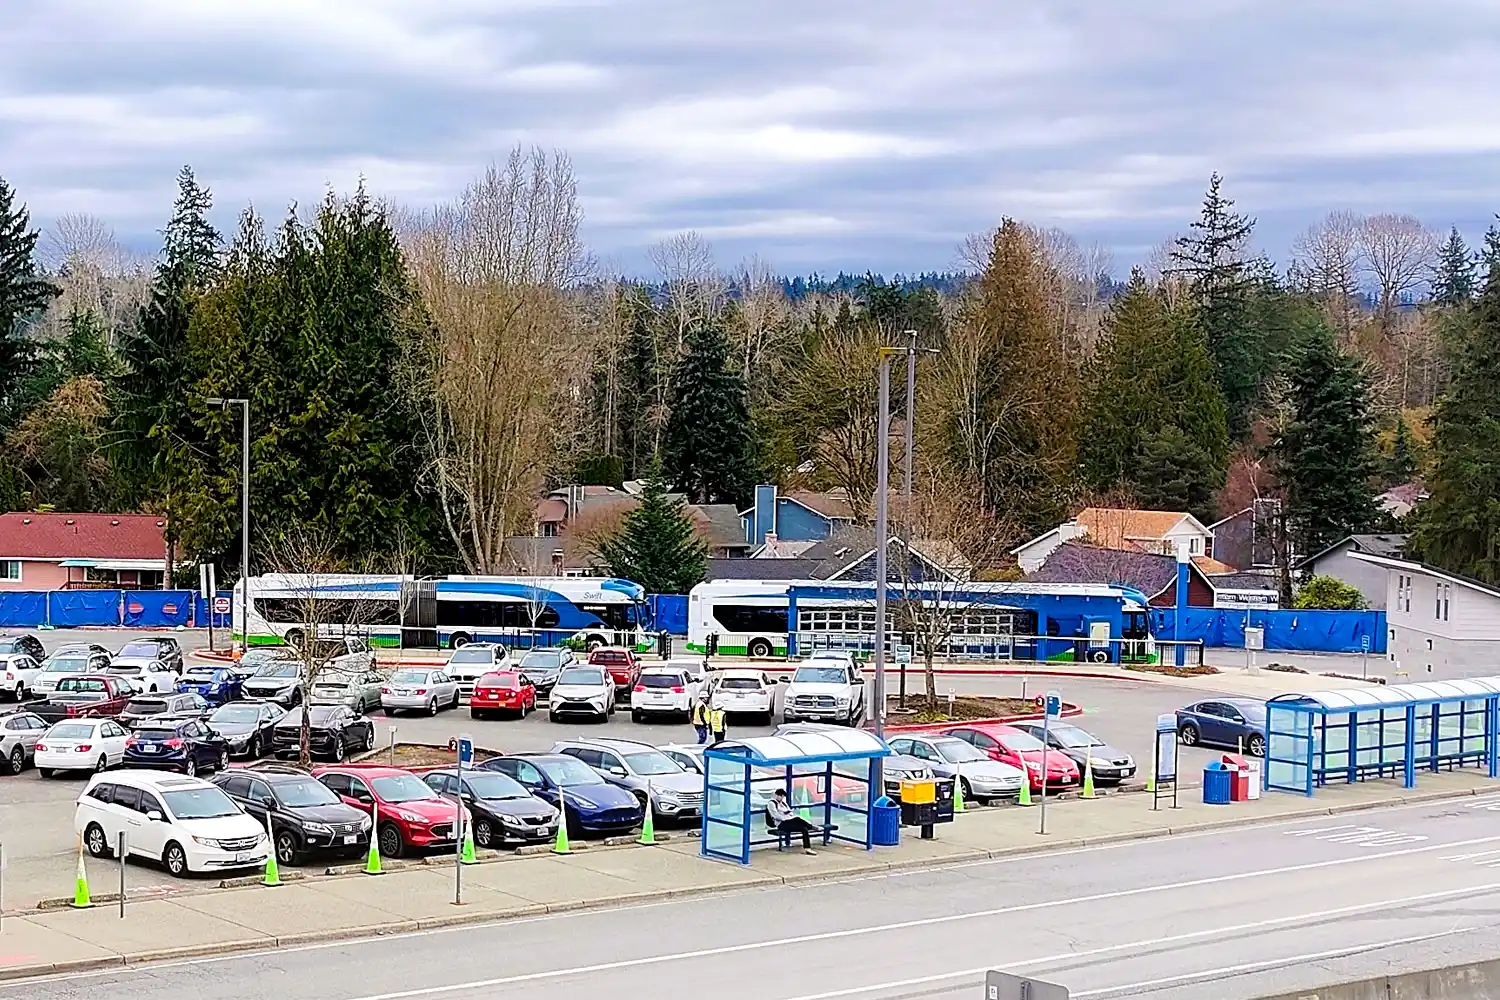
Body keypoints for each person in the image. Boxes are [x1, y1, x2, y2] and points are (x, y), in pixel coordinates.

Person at [766, 788, 816, 855]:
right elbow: (775, 815)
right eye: (780, 796)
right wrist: (785, 817)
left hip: (789, 821)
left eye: (782, 796)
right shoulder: (771, 803)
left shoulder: (784, 803)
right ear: (776, 795)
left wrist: (788, 814)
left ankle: (807, 848)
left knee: (804, 828)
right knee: (798, 819)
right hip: (781, 824)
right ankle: (811, 826)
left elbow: (790, 813)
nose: (781, 798)